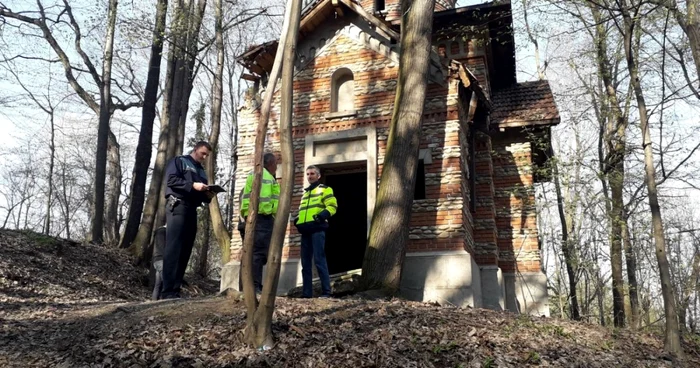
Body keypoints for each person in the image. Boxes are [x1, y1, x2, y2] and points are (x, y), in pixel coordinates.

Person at [161, 141, 214, 299]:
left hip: (192, 209)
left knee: (185, 250)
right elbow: (171, 181)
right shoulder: (179, 161)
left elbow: (200, 193)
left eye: (207, 155)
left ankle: (175, 290)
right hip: (177, 206)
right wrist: (192, 185)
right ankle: (167, 291)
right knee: (174, 248)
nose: (204, 157)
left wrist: (208, 196)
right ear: (195, 149)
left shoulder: (202, 171)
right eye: (202, 153)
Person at [238, 152, 280, 293]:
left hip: (254, 218)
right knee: (258, 254)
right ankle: (254, 286)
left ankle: (246, 287)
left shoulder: (257, 175)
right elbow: (266, 200)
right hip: (262, 218)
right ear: (270, 164)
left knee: (250, 253)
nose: (276, 166)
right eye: (275, 163)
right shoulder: (265, 177)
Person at [294, 165, 338, 298]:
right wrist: (297, 221)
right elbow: (303, 211)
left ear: (318, 176)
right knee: (305, 263)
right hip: (305, 230)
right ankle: (307, 294)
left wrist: (322, 216)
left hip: (317, 229)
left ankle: (326, 292)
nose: (309, 176)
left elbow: (333, 206)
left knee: (319, 260)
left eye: (312, 173)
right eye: (307, 174)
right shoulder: (305, 193)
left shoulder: (325, 189)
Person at [151, 225, 166, 300]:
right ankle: (164, 299)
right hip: (161, 259)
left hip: (156, 260)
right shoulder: (164, 232)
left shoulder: (158, 232)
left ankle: (154, 301)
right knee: (165, 280)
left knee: (158, 283)